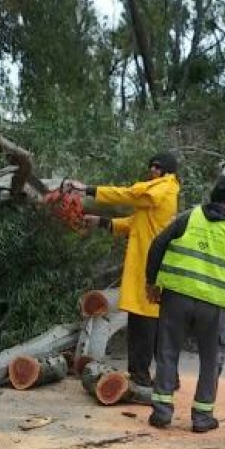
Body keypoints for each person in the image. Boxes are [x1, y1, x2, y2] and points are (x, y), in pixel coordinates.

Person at [145, 176, 225, 433]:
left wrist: (151, 282)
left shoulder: (189, 217)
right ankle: (202, 417)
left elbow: (157, 245)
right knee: (211, 360)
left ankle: (162, 412)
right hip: (215, 307)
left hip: (176, 298)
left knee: (167, 352)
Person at [66, 152, 181, 390]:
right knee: (155, 325)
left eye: (157, 167)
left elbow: (128, 195)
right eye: (151, 166)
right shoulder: (156, 194)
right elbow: (134, 223)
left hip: (150, 269)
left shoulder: (164, 188)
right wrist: (102, 222)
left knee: (144, 326)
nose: (152, 171)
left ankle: (141, 377)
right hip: (150, 267)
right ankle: (166, 377)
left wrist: (87, 189)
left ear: (167, 171)